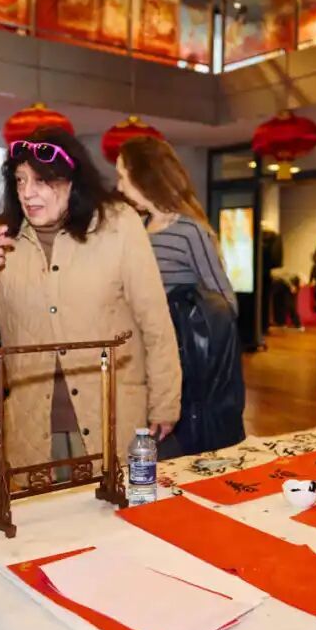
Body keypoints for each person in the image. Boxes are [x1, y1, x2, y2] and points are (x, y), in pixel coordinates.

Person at [0, 128, 180, 480]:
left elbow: (155, 320)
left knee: (118, 511)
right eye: (20, 180)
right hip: (31, 425)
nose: (28, 192)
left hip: (111, 415)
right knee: (44, 516)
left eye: (42, 181)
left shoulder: (117, 225)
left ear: (72, 180)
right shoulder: (4, 237)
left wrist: (165, 401)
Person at [116, 136, 244, 457]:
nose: (118, 186)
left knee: (176, 452)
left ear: (143, 176)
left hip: (182, 367)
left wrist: (181, 319)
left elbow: (225, 303)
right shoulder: (134, 229)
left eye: (122, 175)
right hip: (138, 360)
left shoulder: (189, 231)